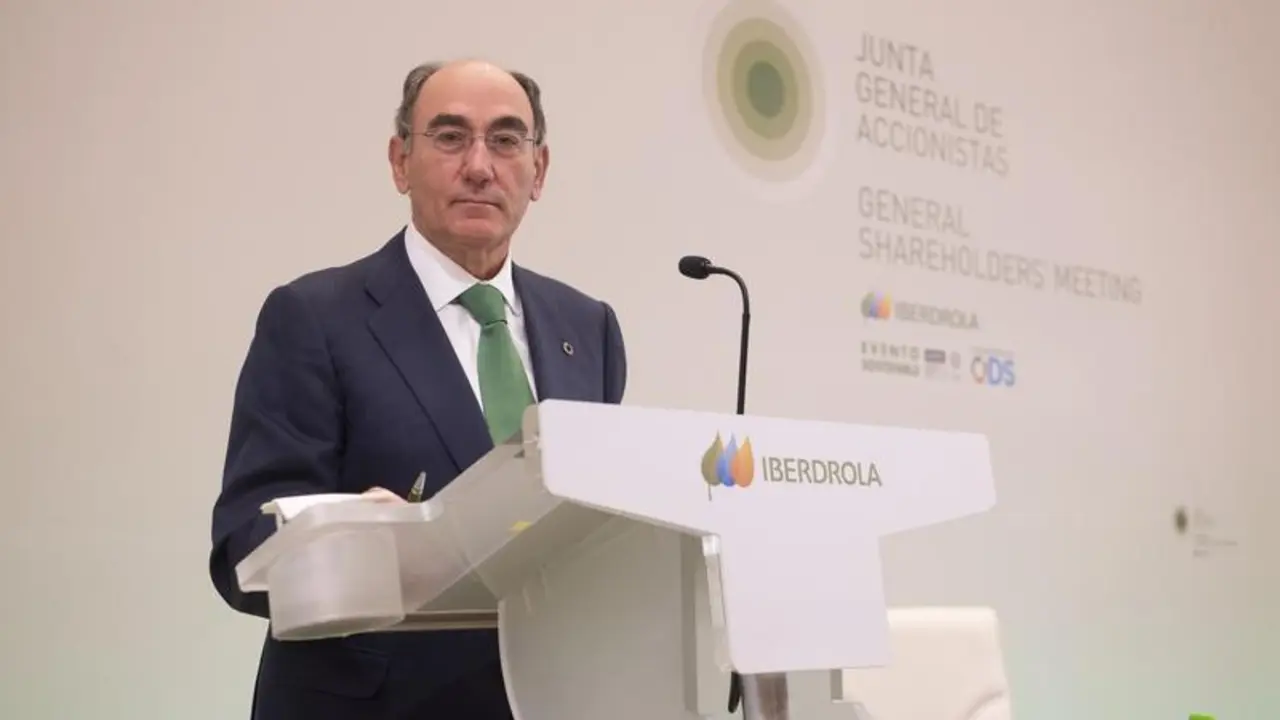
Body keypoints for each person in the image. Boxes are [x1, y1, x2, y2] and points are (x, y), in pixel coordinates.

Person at [207, 59, 628, 720]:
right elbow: (244, 542)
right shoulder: (315, 318)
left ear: (539, 169)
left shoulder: (588, 327)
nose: (480, 166)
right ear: (400, 161)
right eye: (451, 137)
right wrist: (357, 540)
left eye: (506, 140)